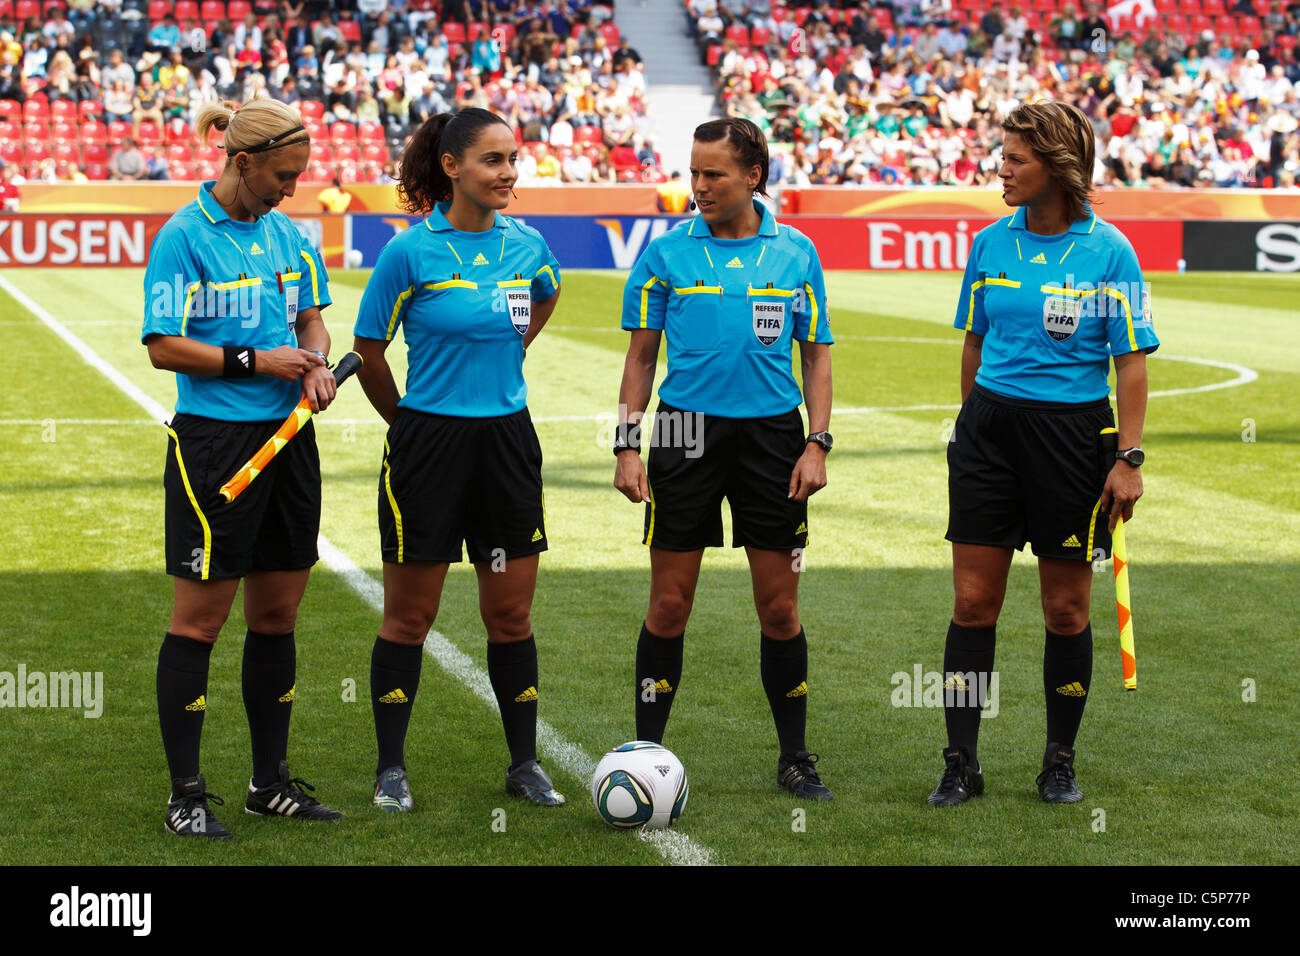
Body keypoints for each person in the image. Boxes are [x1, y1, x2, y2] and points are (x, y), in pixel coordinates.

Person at [929, 102, 1158, 807]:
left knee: (1065, 610)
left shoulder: (1110, 250)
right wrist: (971, 426)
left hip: (1072, 438)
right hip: (990, 431)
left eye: (1015, 158)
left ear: (1058, 166)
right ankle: (961, 763)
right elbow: (972, 342)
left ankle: (1059, 760)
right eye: (1001, 154)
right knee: (973, 602)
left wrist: (1129, 457)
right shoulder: (991, 244)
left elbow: (1131, 363)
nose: (1000, 168)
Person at [613, 117, 836, 800]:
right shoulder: (666, 254)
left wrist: (816, 441)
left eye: (714, 174)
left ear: (753, 177)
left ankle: (795, 757)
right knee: (670, 604)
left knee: (778, 609)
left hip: (773, 436)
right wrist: (627, 444)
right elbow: (642, 356)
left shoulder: (796, 253)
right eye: (695, 173)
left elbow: (817, 354)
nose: (700, 186)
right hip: (684, 434)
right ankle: (648, 752)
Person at [351, 108, 565, 812]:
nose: (509, 173)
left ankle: (525, 764)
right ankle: (388, 768)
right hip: (429, 448)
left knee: (511, 616)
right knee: (410, 617)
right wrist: (408, 421)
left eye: (513, 159)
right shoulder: (409, 253)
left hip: (505, 443)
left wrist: (504, 358)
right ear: (451, 167)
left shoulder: (529, 247)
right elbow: (370, 351)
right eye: (493, 160)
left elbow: (545, 300)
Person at [141, 97, 342, 839]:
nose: (291, 188)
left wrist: (314, 361)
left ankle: (270, 783)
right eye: (282, 175)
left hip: (288, 440)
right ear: (240, 160)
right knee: (200, 621)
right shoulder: (184, 236)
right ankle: (186, 795)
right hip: (215, 450)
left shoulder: (291, 234)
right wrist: (259, 360)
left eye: (298, 175)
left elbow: (312, 315)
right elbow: (163, 344)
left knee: (278, 614)